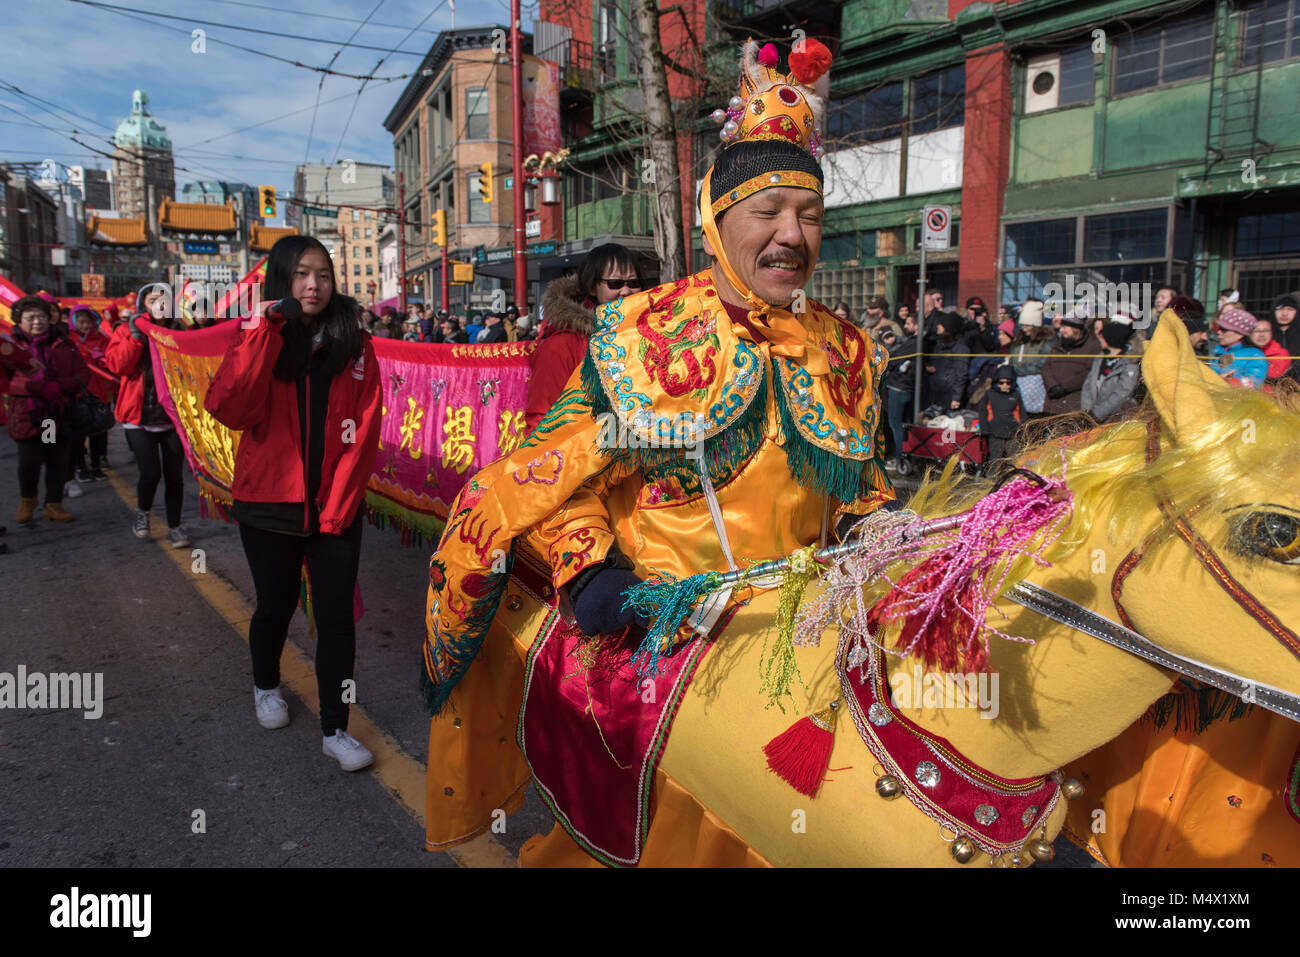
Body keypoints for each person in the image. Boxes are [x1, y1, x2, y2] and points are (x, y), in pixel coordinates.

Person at [420, 38, 896, 860]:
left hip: (808, 664)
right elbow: (543, 476)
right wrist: (595, 573)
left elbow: (861, 485)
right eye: (768, 212)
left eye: (809, 214)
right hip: (674, 651)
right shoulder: (645, 334)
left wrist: (891, 532)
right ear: (718, 219)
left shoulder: (844, 349)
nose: (792, 235)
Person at [205, 235, 382, 772]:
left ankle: (336, 728)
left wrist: (341, 501)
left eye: (323, 275)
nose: (314, 284)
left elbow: (366, 429)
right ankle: (265, 686)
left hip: (335, 508)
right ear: (282, 282)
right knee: (274, 607)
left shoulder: (355, 342)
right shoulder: (256, 335)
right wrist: (265, 332)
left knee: (337, 621)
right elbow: (230, 407)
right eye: (302, 274)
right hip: (268, 505)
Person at [105, 283, 191, 546]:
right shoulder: (125, 331)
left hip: (171, 418)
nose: (159, 305)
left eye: (163, 299)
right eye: (153, 300)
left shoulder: (179, 332)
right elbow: (118, 365)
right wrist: (136, 337)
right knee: (150, 473)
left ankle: (175, 526)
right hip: (138, 417)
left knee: (175, 475)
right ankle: (142, 513)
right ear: (143, 304)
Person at [527, 243, 644, 432]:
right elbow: (541, 421)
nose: (625, 291)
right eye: (615, 283)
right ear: (592, 287)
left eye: (633, 283)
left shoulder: (650, 337)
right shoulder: (562, 345)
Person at [5, 295, 86, 524]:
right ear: (19, 321)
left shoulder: (61, 343)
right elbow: (5, 379)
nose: (37, 322)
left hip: (53, 415)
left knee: (55, 458)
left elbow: (81, 374)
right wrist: (34, 387)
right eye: (30, 318)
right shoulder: (9, 346)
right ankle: (27, 499)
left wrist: (60, 386)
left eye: (41, 316)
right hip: (27, 413)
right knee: (29, 461)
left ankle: (53, 503)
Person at [67, 305, 114, 481]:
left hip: (99, 392)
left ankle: (96, 465)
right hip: (79, 393)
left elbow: (111, 361)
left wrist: (101, 358)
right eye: (81, 322)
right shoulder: (68, 340)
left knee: (99, 431)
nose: (85, 326)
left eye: (88, 322)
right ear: (73, 322)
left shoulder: (101, 339)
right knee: (79, 433)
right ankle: (80, 467)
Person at [1040, 308, 1100, 415]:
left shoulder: (1092, 346)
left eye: (1065, 327)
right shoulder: (1057, 345)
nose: (1061, 330)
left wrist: (1064, 387)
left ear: (1076, 328)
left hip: (1075, 404)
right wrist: (1052, 386)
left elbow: (1089, 372)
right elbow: (1046, 368)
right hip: (1052, 403)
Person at [1080, 321, 1142, 424]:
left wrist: (1097, 413)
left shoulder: (1129, 363)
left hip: (1115, 420)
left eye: (1102, 335)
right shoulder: (1100, 358)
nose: (1099, 338)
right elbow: (1087, 385)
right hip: (1091, 419)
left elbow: (1123, 392)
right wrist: (1086, 413)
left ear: (1111, 339)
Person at [883, 311, 919, 467]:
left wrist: (887, 366)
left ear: (917, 325)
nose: (905, 326)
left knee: (896, 424)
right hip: (904, 387)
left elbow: (896, 356)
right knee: (904, 424)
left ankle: (900, 459)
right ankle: (906, 456)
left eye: (909, 323)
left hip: (899, 388)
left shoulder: (914, 342)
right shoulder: (913, 341)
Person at [1211, 307, 1267, 389]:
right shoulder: (1218, 349)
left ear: (1240, 334)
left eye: (1224, 330)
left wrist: (1227, 382)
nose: (1219, 332)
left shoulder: (1255, 355)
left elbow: (1254, 384)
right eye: (1219, 328)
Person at [923, 312, 969, 411]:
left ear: (949, 328)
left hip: (949, 395)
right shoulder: (939, 344)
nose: (938, 326)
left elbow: (961, 374)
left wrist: (956, 398)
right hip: (935, 392)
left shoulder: (960, 348)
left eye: (941, 324)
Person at [978, 364, 1023, 463]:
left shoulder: (1015, 395)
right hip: (995, 433)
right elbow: (983, 412)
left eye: (1008, 382)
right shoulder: (990, 394)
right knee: (995, 460)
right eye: (1001, 382)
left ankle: (1012, 478)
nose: (1005, 385)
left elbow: (1021, 414)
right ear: (996, 382)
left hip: (1013, 433)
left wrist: (1023, 430)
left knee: (1013, 460)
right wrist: (984, 429)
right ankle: (992, 478)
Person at [1250, 316, 1291, 385]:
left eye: (1265, 330)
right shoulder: (1242, 350)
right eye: (1257, 331)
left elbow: (1275, 375)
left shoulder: (1280, 353)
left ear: (1271, 333)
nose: (1261, 334)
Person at [1269, 293, 1300, 384]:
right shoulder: (1265, 333)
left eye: (1290, 309)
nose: (1284, 313)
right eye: (1280, 309)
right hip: (1270, 385)